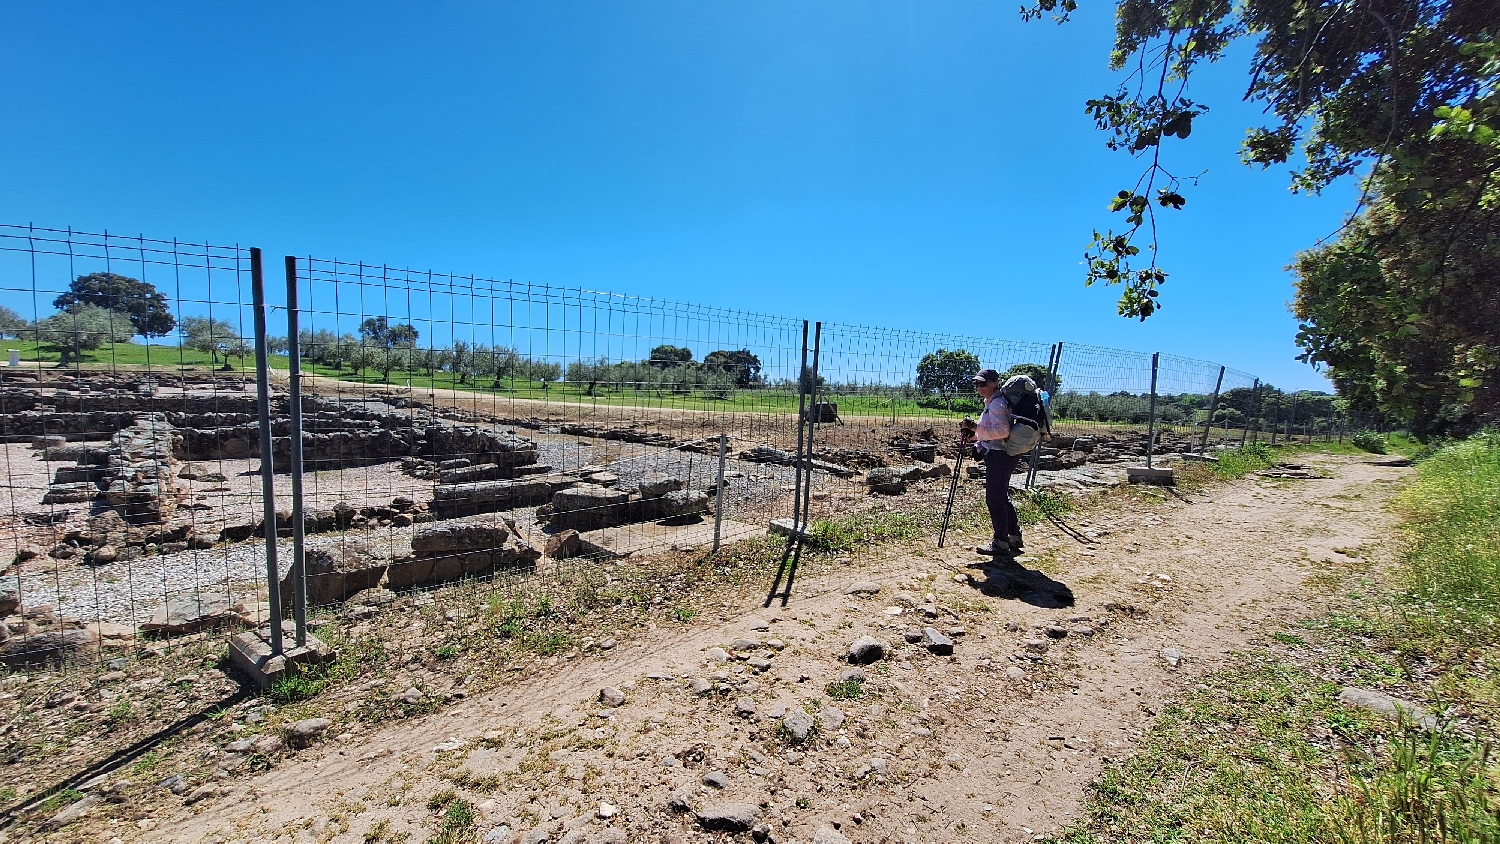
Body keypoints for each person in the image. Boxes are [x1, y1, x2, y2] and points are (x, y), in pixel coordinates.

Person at [960, 368, 1023, 556]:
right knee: (1001, 496)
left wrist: (975, 428)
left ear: (995, 383)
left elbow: (1002, 431)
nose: (979, 386)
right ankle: (1014, 536)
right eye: (976, 383)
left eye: (983, 383)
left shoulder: (997, 404)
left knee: (994, 499)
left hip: (999, 455)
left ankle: (1001, 542)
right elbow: (990, 431)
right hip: (1001, 453)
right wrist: (975, 437)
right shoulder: (992, 401)